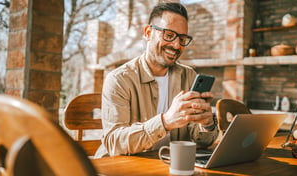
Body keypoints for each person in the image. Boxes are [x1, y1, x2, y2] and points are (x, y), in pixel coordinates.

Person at [94, 2, 219, 158]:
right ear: (147, 32)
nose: (176, 45)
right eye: (168, 35)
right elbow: (114, 143)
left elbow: (201, 142)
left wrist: (207, 125)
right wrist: (165, 122)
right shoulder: (119, 79)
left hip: (172, 166)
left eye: (182, 39)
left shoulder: (189, 76)